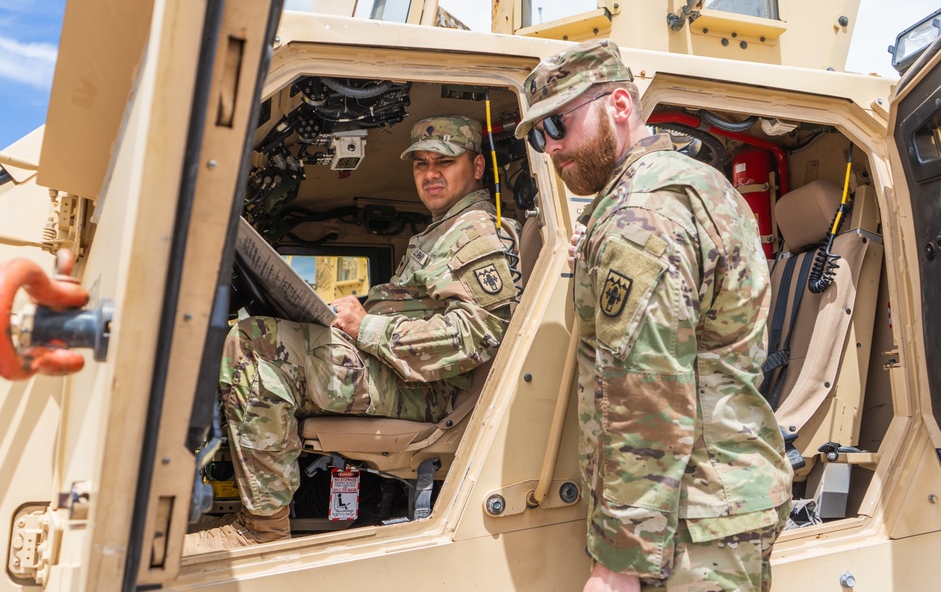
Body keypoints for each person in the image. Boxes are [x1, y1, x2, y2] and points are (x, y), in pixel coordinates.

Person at [514, 40, 792, 591]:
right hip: (710, 506)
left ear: (619, 105)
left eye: (558, 126)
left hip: (689, 523)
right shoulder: (680, 187)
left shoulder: (640, 215)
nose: (550, 148)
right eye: (538, 135)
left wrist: (619, 561)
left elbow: (647, 391)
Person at [185, 115, 520, 554]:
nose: (430, 173)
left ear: (477, 167)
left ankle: (262, 531)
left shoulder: (474, 233)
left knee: (253, 347)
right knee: (259, 336)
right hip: (398, 371)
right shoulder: (442, 231)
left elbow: (478, 335)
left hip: (429, 389)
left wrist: (367, 326)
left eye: (444, 161)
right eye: (420, 163)